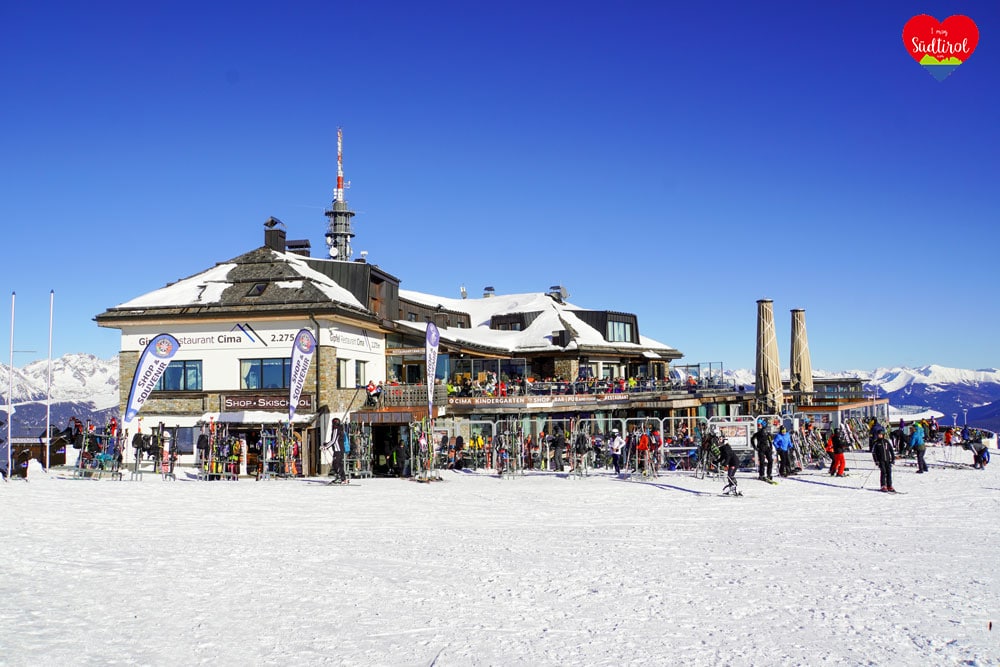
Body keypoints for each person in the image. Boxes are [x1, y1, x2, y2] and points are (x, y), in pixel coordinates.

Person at [325, 417, 348, 483]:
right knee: (339, 464)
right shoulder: (340, 429)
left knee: (336, 464)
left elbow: (333, 440)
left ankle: (339, 478)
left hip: (338, 450)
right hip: (340, 449)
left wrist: (326, 446)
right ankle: (343, 479)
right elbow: (337, 440)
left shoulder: (336, 429)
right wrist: (327, 444)